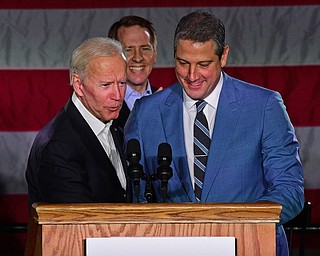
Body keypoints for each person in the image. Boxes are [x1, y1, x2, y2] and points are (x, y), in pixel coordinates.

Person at [124, 11, 304, 256]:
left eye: (204, 64)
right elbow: (137, 197)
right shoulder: (147, 112)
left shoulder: (264, 106)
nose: (192, 76)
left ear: (224, 56)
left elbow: (289, 189)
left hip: (250, 247)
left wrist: (242, 223)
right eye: (183, 63)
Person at [25, 37, 132, 209]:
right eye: (106, 85)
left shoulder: (120, 119)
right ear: (78, 84)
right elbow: (80, 225)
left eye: (122, 83)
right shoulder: (58, 147)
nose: (118, 95)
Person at [108, 15, 161, 129]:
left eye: (145, 49)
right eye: (128, 50)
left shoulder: (169, 102)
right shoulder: (103, 105)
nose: (138, 58)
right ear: (113, 56)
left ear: (154, 55)